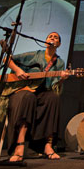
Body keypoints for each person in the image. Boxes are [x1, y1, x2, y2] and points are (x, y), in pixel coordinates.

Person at [5, 32, 67, 161]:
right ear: (45, 41)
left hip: (43, 92)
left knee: (53, 98)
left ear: (59, 44)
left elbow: (54, 85)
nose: (52, 38)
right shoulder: (34, 55)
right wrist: (18, 70)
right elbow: (7, 59)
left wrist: (62, 79)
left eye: (56, 37)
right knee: (28, 97)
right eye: (50, 36)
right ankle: (19, 145)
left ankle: (47, 145)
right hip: (22, 90)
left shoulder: (60, 63)